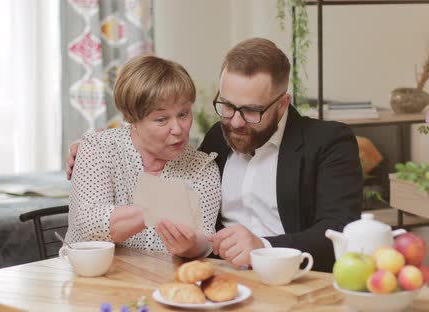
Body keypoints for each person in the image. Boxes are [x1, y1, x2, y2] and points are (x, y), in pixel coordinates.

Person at [67, 38, 362, 272]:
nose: (234, 122)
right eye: (227, 105)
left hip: (292, 277)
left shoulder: (328, 141)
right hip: (217, 276)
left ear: (282, 104)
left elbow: (338, 231)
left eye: (250, 111)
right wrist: (93, 150)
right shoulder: (216, 141)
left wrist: (264, 246)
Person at [65, 55, 221, 259]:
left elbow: (205, 238)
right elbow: (89, 225)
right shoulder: (98, 148)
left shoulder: (202, 166)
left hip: (162, 283)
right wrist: (163, 203)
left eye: (183, 114)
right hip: (91, 277)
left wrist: (190, 246)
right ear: (132, 118)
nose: (178, 129)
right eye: (162, 119)